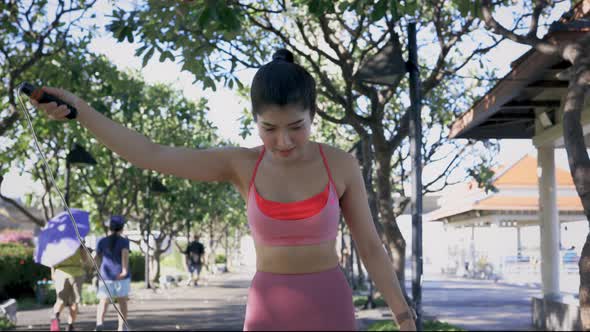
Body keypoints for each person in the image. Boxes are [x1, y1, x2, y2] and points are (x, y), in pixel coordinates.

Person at [30, 48, 417, 331]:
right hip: (268, 310)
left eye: (296, 126)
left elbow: (370, 248)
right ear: (255, 121)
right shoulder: (241, 165)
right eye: (269, 128)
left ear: (313, 115)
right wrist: (81, 110)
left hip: (330, 304)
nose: (282, 140)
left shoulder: (342, 165)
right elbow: (150, 153)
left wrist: (403, 316)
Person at [94, 215, 130, 331]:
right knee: (122, 302)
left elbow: (96, 258)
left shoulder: (102, 241)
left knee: (103, 302)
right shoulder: (124, 242)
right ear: (122, 228)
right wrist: (124, 271)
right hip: (120, 276)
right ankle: (121, 327)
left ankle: (99, 324)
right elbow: (125, 255)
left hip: (105, 276)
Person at [50, 245, 90, 331]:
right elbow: (85, 260)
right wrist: (82, 248)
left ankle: (55, 315)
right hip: (76, 273)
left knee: (60, 300)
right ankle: (70, 325)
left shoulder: (57, 242)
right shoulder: (77, 242)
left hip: (60, 273)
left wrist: (53, 273)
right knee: (74, 302)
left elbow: (52, 261)